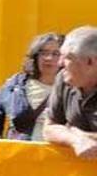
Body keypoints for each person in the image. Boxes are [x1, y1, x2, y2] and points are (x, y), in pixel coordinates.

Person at [0, 33, 62, 140]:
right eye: (44, 53)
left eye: (56, 53)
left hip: (57, 154)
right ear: (35, 56)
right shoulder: (17, 83)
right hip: (20, 152)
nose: (48, 58)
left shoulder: (72, 88)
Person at [42, 26, 97, 159]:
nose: (59, 63)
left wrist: (85, 136)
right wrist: (75, 139)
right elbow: (49, 128)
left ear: (90, 61)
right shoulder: (63, 78)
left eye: (67, 57)